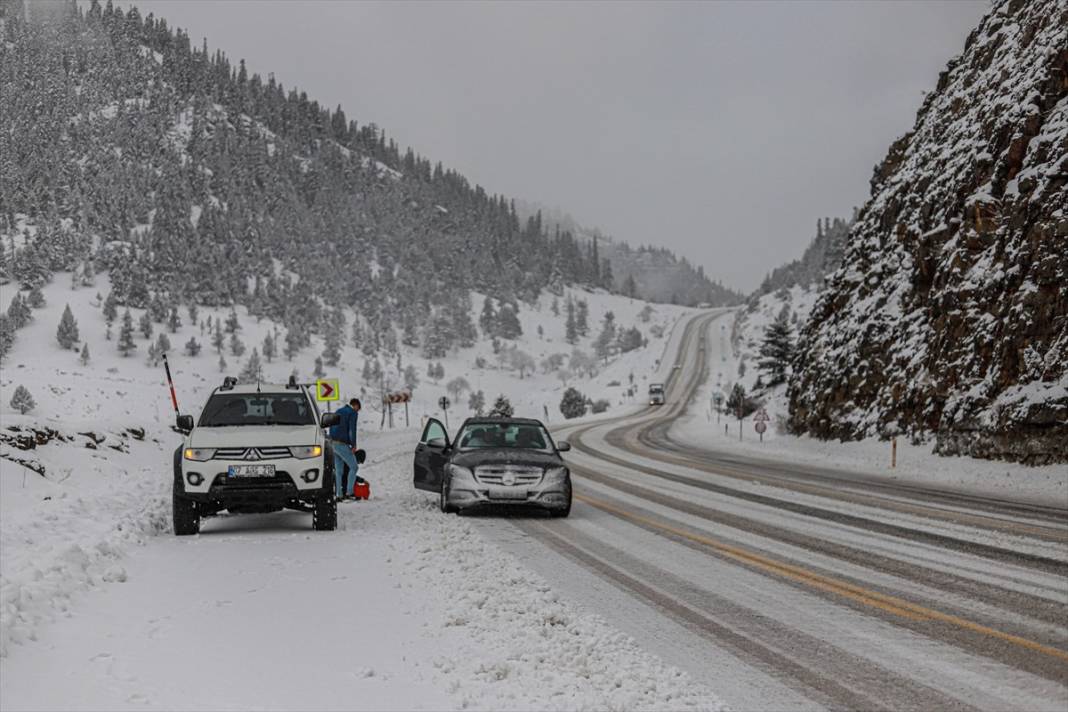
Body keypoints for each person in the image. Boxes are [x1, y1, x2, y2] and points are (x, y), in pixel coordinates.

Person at [329, 398, 362, 501]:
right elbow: (352, 429)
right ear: (356, 405)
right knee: (354, 467)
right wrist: (353, 445)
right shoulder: (352, 413)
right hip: (342, 443)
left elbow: (331, 425)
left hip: (332, 443)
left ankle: (339, 495)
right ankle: (349, 492)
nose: (357, 412)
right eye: (358, 409)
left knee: (339, 471)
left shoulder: (338, 411)